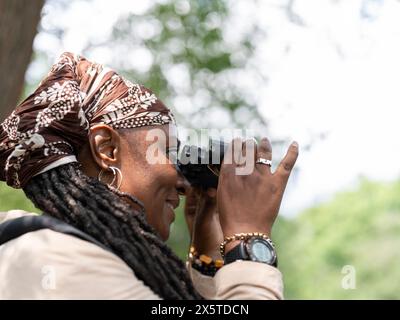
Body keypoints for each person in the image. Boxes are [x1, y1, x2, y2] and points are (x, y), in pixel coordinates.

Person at [0, 52, 298, 299]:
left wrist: (208, 259)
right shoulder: (54, 260)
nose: (183, 185)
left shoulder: (69, 255)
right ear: (107, 149)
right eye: (169, 151)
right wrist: (248, 240)